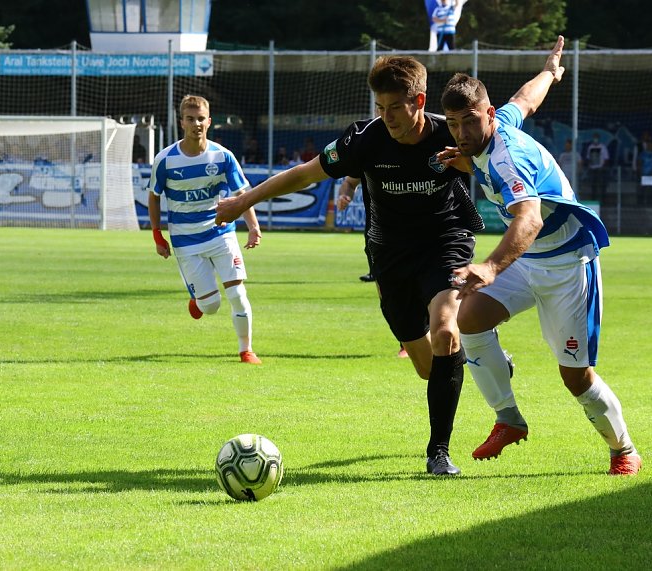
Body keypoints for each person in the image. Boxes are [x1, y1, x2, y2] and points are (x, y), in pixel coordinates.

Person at [217, 40, 565, 478]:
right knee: (427, 368)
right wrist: (243, 201)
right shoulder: (364, 140)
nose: (386, 117)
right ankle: (488, 362)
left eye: (394, 108)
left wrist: (550, 74)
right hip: (389, 257)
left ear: (419, 101)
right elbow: (303, 173)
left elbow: (517, 108)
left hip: (446, 242)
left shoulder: (451, 133)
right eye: (380, 107)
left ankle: (438, 453)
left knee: (445, 334)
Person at [437, 45, 642, 476]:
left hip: (567, 265)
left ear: (487, 113)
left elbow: (528, 220)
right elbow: (526, 99)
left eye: (469, 121)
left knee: (576, 378)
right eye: (453, 124)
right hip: (529, 260)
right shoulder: (497, 125)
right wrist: (550, 72)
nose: (461, 132)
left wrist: (490, 268)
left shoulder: (506, 158)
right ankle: (508, 419)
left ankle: (623, 449)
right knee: (467, 320)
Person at [149, 94, 263, 365]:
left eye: (201, 119)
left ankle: (246, 351)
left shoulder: (222, 156)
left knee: (237, 293)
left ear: (209, 122)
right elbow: (153, 196)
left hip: (221, 233)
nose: (196, 124)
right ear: (182, 122)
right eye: (190, 119)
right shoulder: (165, 160)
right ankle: (199, 299)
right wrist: (157, 234)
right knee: (210, 307)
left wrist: (253, 227)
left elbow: (242, 194)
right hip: (185, 241)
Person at [336, 175, 409, 359]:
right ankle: (407, 342)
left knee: (424, 288)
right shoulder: (369, 149)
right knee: (387, 293)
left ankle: (427, 338)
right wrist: (344, 196)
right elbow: (349, 182)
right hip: (379, 236)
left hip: (420, 232)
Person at [584, 133, 609, 204]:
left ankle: (603, 200)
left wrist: (603, 167)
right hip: (593, 169)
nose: (595, 139)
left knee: (601, 185)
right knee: (593, 185)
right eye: (594, 138)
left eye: (596, 138)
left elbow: (606, 158)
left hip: (600, 169)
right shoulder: (590, 147)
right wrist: (589, 165)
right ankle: (593, 199)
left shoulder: (603, 147)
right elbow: (588, 158)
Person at [636, 139, 652, 206]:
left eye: (650, 144)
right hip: (644, 174)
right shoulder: (642, 154)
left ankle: (649, 202)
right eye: (648, 144)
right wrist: (640, 172)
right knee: (642, 188)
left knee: (651, 189)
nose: (649, 146)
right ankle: (640, 202)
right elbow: (639, 163)